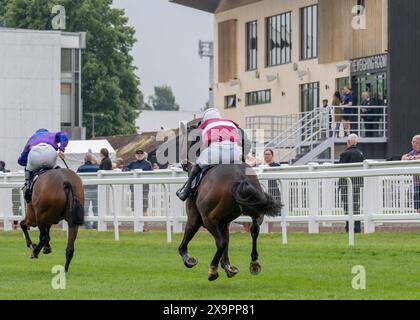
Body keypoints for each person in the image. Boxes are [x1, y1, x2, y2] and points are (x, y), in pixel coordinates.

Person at [176, 108, 242, 201]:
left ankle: (185, 191)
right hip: (235, 152)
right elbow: (239, 140)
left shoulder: (204, 125)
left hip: (216, 151)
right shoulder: (230, 123)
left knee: (197, 165)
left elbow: (204, 146)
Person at [17, 128, 68, 203]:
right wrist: (61, 149)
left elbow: (21, 160)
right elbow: (64, 135)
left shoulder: (32, 138)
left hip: (34, 154)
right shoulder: (52, 134)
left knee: (28, 170)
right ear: (47, 132)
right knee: (57, 169)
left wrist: (29, 163)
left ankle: (28, 190)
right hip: (50, 153)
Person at [339, 134, 365, 233]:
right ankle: (357, 227)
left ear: (349, 142)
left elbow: (340, 169)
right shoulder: (360, 153)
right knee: (355, 205)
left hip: (346, 184)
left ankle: (349, 227)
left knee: (347, 206)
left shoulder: (345, 154)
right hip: (357, 183)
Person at [402, 135, 420, 212]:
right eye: (412, 142)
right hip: (416, 183)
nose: (412, 144)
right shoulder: (413, 152)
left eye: (414, 142)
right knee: (417, 205)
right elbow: (403, 157)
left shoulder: (415, 154)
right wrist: (410, 158)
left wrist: (414, 158)